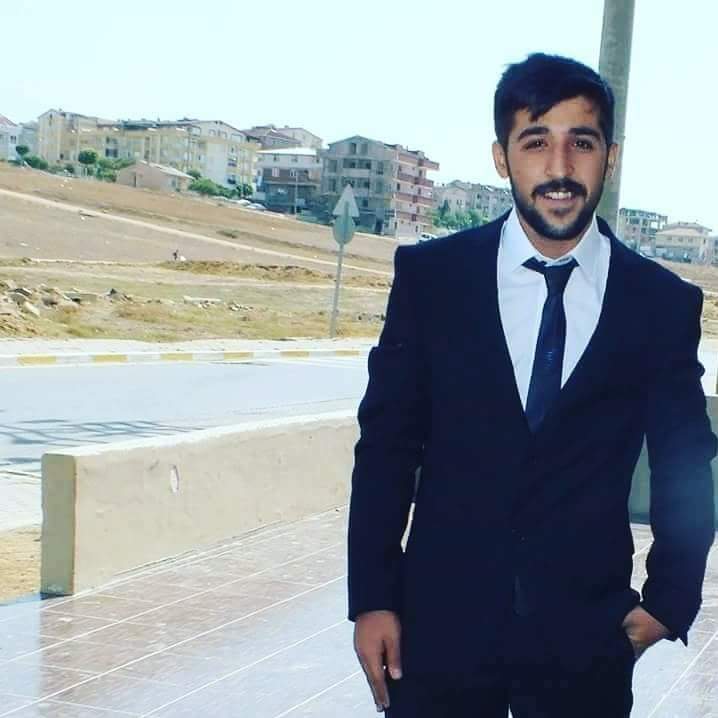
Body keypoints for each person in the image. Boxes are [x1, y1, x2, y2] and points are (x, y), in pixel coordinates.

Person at [347, 53, 716, 718]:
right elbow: (386, 448)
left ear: (610, 158)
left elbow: (685, 463)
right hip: (437, 637)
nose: (560, 166)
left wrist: (669, 599)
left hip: (586, 647)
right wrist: (372, 596)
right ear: (502, 157)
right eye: (536, 141)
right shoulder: (433, 280)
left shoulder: (661, 305)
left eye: (583, 142)